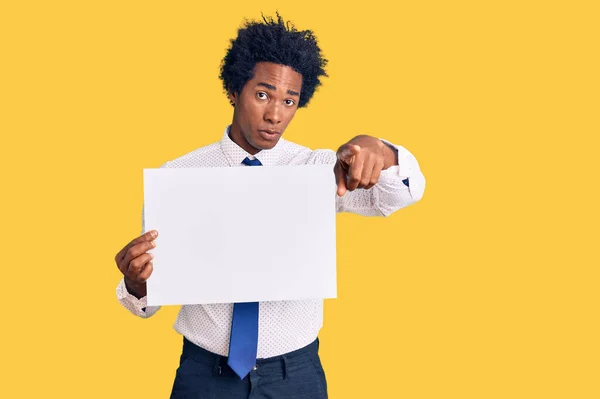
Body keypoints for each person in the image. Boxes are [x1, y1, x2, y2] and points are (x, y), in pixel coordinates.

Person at [115, 13, 425, 399]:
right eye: (263, 94)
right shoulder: (178, 177)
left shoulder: (320, 170)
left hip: (295, 376)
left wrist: (382, 150)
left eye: (289, 100)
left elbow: (402, 194)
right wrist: (136, 283)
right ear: (233, 90)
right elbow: (146, 303)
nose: (275, 114)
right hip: (204, 374)